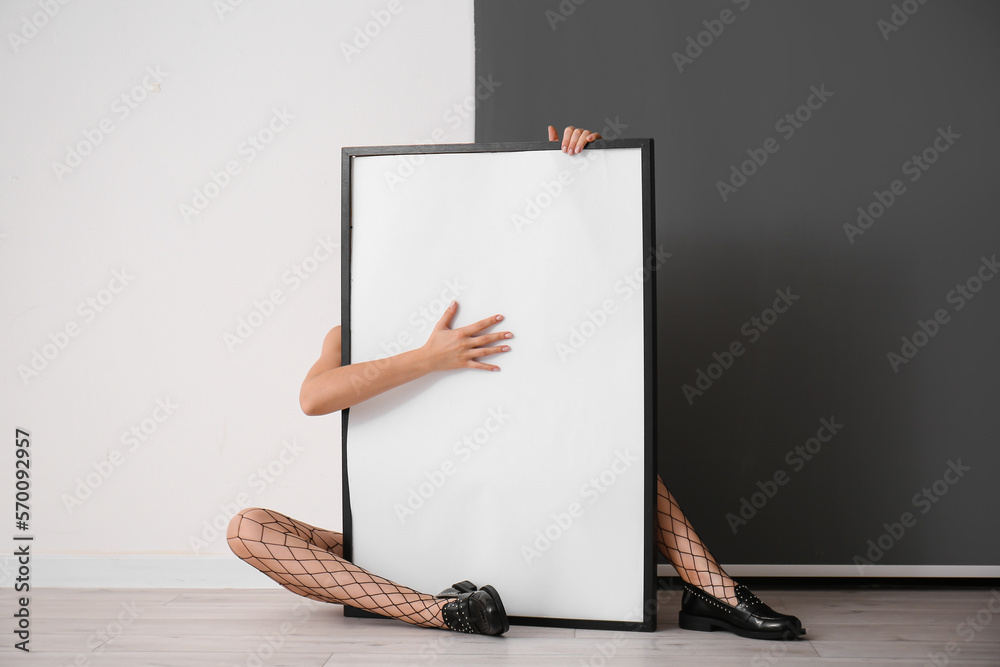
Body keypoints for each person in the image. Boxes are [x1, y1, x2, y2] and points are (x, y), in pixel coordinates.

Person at [227, 126, 806, 641]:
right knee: (247, 528)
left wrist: (588, 176)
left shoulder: (515, 311)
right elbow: (314, 398)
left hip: (524, 513)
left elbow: (588, 293)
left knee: (615, 446)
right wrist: (429, 358)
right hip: (409, 528)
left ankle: (710, 588)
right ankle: (445, 611)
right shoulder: (349, 330)